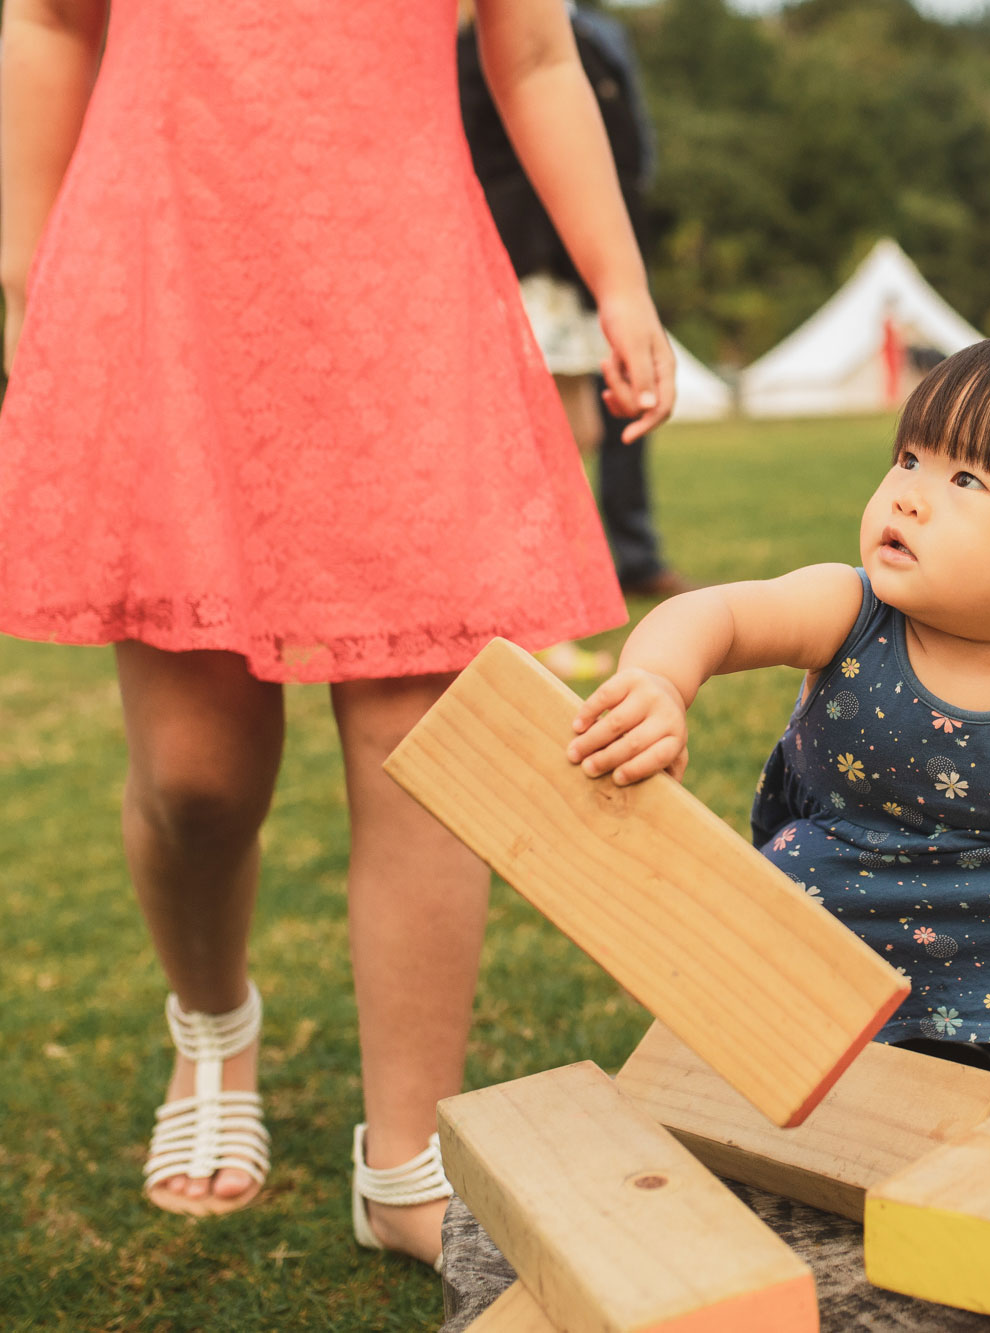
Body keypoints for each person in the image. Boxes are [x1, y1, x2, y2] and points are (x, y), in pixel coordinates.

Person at [0, 0, 676, 1265]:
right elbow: (44, 23)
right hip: (159, 275)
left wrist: (618, 277)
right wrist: (30, 269)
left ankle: (405, 1162)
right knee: (198, 778)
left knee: (416, 744)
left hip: (397, 296)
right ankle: (211, 1028)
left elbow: (532, 54)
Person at [565, 336, 990, 1079]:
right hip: (853, 882)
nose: (908, 493)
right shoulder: (850, 610)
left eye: (967, 478)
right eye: (911, 459)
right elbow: (719, 615)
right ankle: (821, 1041)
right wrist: (659, 678)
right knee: (779, 887)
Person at [458, 0, 697, 682]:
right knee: (543, 441)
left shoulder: (591, 32)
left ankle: (535, 613)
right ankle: (531, 626)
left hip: (568, 266)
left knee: (575, 427)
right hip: (525, 256)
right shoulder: (478, 37)